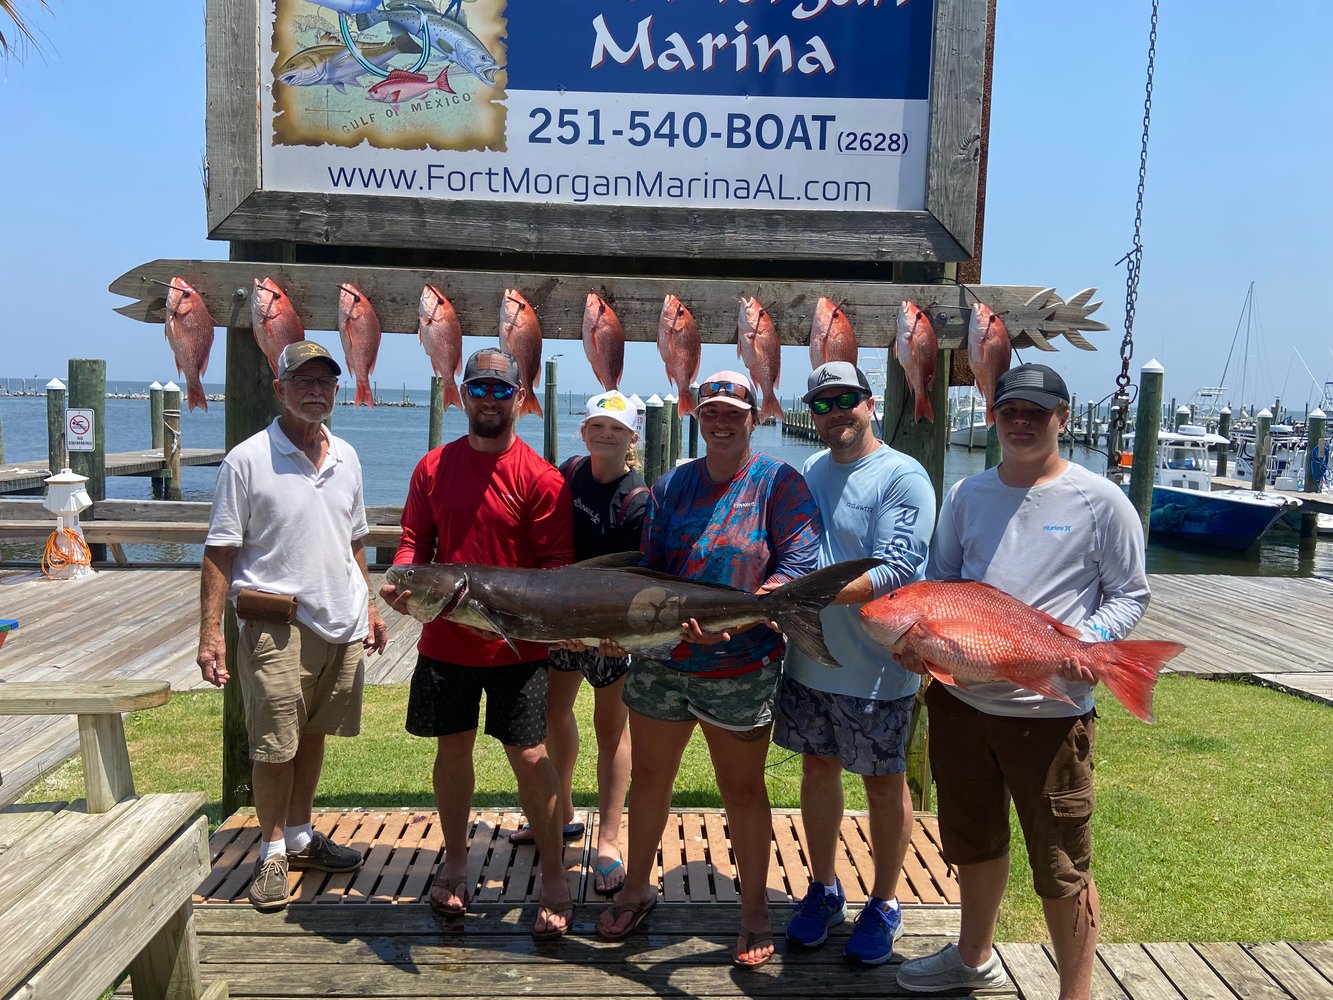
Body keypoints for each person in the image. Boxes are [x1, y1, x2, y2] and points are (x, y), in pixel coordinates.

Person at [894, 364, 1150, 998]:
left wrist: (1079, 646)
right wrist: (920, 645)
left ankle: (1075, 993)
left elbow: (1129, 593)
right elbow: (943, 584)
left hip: (1050, 716)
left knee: (1063, 862)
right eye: (1011, 410)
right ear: (994, 416)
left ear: (1062, 418)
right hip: (961, 706)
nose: (1022, 422)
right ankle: (971, 957)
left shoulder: (1101, 500)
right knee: (971, 841)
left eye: (1037, 411)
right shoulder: (966, 496)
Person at [596, 370, 822, 969]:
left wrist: (745, 617)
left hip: (741, 667)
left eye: (734, 413)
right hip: (665, 660)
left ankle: (753, 910)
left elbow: (799, 561)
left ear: (755, 419)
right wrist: (625, 630)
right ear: (698, 417)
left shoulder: (780, 483)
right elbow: (650, 568)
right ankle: (640, 884)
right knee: (648, 779)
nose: (721, 422)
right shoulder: (672, 486)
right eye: (712, 412)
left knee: (742, 790)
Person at [378, 348, 577, 940]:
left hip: (520, 650)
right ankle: (458, 863)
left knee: (531, 758)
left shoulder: (541, 478)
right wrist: (401, 580)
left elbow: (558, 568)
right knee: (452, 753)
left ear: (520, 397)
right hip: (446, 641)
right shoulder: (433, 467)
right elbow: (414, 540)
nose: (489, 399)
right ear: (462, 394)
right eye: (479, 388)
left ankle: (555, 877)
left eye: (500, 389)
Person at [197, 340, 388, 913]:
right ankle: (272, 850)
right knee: (274, 745)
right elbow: (219, 551)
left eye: (325, 382)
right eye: (302, 381)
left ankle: (301, 834)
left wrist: (371, 606)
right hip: (276, 624)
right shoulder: (247, 459)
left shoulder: (348, 457)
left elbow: (354, 539)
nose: (315, 391)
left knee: (312, 734)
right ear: (279, 389)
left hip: (342, 621)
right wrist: (210, 633)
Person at [776, 362, 936, 965]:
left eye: (846, 399)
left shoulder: (902, 475)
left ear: (869, 404)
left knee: (882, 781)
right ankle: (823, 887)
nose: (834, 411)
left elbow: (898, 568)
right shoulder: (808, 472)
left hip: (878, 667)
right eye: (822, 403)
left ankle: (886, 900)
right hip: (810, 660)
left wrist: (801, 595)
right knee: (817, 771)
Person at [517, 390, 647, 896]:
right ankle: (563, 810)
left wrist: (615, 636)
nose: (605, 434)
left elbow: (635, 577)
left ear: (632, 436)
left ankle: (610, 839)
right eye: (597, 424)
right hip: (561, 622)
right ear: (584, 430)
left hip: (612, 630)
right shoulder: (566, 473)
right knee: (553, 715)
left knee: (611, 729)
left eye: (616, 428)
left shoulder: (637, 500)